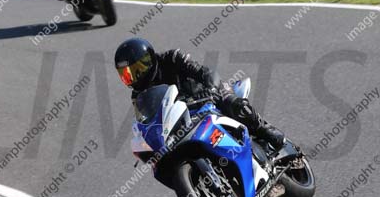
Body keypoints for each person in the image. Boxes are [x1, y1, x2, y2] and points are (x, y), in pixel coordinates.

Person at [114, 38, 285, 150]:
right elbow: (148, 122)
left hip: (206, 98)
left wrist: (210, 88)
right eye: (126, 74)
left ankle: (266, 131)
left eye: (137, 70)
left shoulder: (172, 58)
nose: (133, 77)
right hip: (182, 120)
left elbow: (204, 72)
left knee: (233, 104)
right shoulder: (138, 95)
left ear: (149, 59)